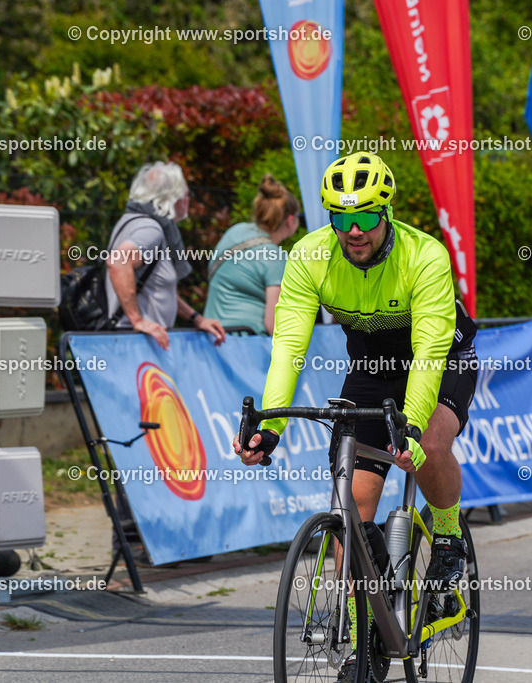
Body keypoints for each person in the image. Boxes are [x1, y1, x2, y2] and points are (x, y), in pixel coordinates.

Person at [232, 153, 478, 678]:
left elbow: (429, 353)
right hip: (371, 366)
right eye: (342, 218)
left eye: (366, 216)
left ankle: (449, 538)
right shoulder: (310, 255)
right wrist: (270, 426)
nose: (355, 230)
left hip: (439, 357)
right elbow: (289, 347)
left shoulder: (424, 256)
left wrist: (411, 427)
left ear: (386, 213)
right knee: (351, 509)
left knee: (432, 443)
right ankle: (369, 634)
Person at [105, 161, 226, 349]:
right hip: (138, 344)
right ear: (174, 198)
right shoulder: (151, 229)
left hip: (136, 341)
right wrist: (138, 321)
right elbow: (118, 262)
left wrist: (196, 319)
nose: (188, 200)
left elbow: (157, 288)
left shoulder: (130, 221)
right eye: (186, 194)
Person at [204, 174, 301, 335]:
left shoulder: (234, 231)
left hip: (212, 336)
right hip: (249, 340)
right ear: (290, 221)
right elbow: (274, 324)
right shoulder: (276, 258)